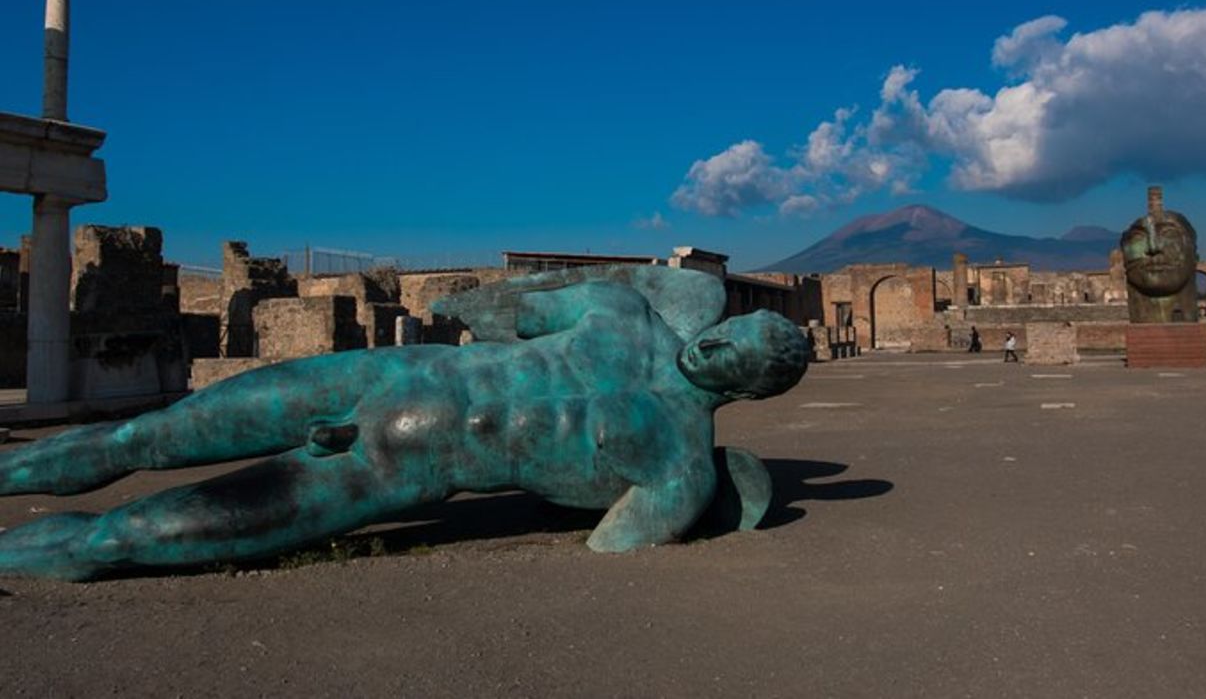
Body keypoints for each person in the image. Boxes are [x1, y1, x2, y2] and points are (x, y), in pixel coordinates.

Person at [0, 271, 810, 581]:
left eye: (735, 358)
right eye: (726, 331)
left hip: (394, 464)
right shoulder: (623, 312)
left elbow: (610, 540)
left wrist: (692, 500)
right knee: (138, 437)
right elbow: (519, 312)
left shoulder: (678, 465)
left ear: (754, 388)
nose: (711, 347)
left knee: (125, 538)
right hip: (377, 374)